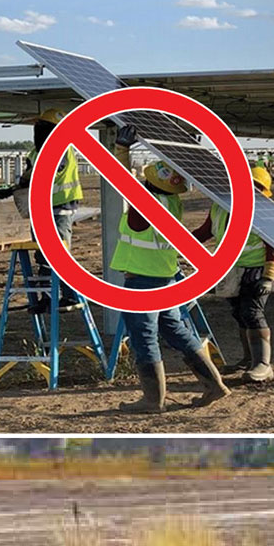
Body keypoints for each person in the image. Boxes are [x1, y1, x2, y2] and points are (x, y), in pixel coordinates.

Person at [107, 160, 229, 413]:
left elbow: (128, 189)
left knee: (144, 336)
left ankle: (153, 400)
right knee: (175, 330)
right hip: (166, 277)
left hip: (143, 280)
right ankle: (214, 384)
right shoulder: (171, 203)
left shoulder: (146, 208)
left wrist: (121, 152)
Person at [0, 107, 81, 310]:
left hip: (60, 207)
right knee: (43, 255)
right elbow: (28, 175)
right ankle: (47, 297)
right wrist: (12, 189)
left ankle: (69, 296)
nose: (38, 130)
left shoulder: (62, 147)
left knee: (58, 254)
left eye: (42, 126)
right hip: (41, 208)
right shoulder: (35, 152)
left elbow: (51, 168)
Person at [204, 165, 274, 383]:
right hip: (231, 269)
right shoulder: (220, 207)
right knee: (240, 313)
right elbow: (206, 231)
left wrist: (269, 276)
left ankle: (263, 365)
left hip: (254, 270)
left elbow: (273, 245)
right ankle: (249, 359)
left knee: (252, 312)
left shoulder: (261, 212)